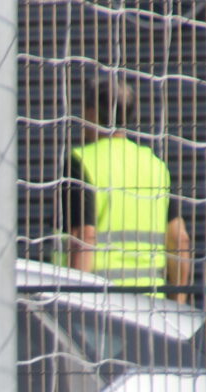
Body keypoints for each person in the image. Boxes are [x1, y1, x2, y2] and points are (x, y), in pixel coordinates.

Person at [59, 76, 191, 302]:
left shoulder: (81, 161)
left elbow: (84, 237)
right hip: (151, 306)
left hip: (101, 304)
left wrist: (74, 305)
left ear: (91, 113)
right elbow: (179, 240)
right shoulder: (154, 165)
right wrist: (177, 305)